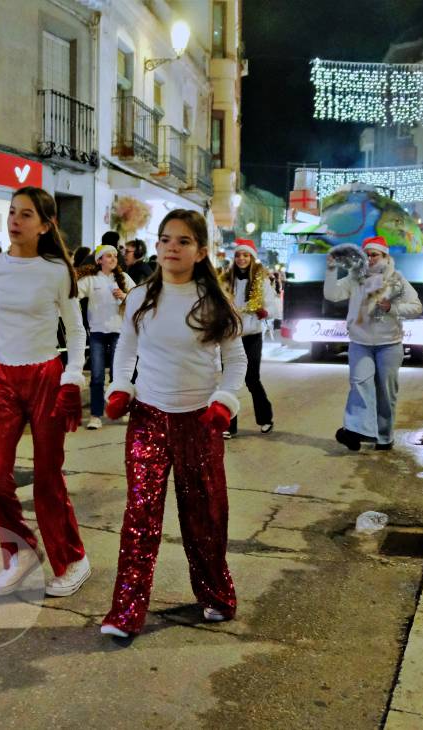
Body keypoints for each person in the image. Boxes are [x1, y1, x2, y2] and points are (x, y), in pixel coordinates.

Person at [98, 208, 247, 639]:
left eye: (182, 241)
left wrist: (224, 401)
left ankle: (216, 596)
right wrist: (122, 386)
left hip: (199, 423)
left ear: (200, 252)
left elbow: (235, 360)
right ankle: (125, 612)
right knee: (140, 516)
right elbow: (126, 348)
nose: (171, 248)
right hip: (148, 419)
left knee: (205, 515)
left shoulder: (213, 303)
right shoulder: (142, 297)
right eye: (165, 240)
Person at [0, 185, 90, 598]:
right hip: (4, 379)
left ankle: (72, 558)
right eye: (11, 212)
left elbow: (76, 331)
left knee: (46, 478)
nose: (15, 221)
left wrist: (72, 379)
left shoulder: (56, 270)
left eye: (25, 215)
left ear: (45, 225)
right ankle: (20, 549)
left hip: (45, 376)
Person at [325, 237, 422, 452]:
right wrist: (331, 270)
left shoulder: (396, 279)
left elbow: (416, 307)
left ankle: (384, 437)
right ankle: (355, 431)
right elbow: (332, 295)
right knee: (359, 384)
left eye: (374, 254)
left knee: (386, 392)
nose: (369, 259)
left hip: (389, 344)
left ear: (385, 256)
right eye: (366, 254)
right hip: (360, 342)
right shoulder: (355, 278)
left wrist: (392, 309)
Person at [218, 239, 275, 437]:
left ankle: (265, 418)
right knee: (229, 380)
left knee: (252, 378)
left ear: (251, 257)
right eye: (238, 255)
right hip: (231, 337)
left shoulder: (261, 279)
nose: (241, 259)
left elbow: (272, 305)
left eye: (245, 255)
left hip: (252, 335)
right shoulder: (225, 280)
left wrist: (264, 311)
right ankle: (228, 425)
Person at [76, 244, 133, 430]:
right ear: (99, 260)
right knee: (98, 375)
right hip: (97, 333)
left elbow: (139, 298)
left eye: (115, 256)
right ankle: (96, 415)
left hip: (119, 332)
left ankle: (122, 410)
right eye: (108, 256)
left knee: (119, 374)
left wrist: (124, 296)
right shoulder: (91, 280)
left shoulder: (123, 278)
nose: (113, 259)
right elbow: (74, 295)